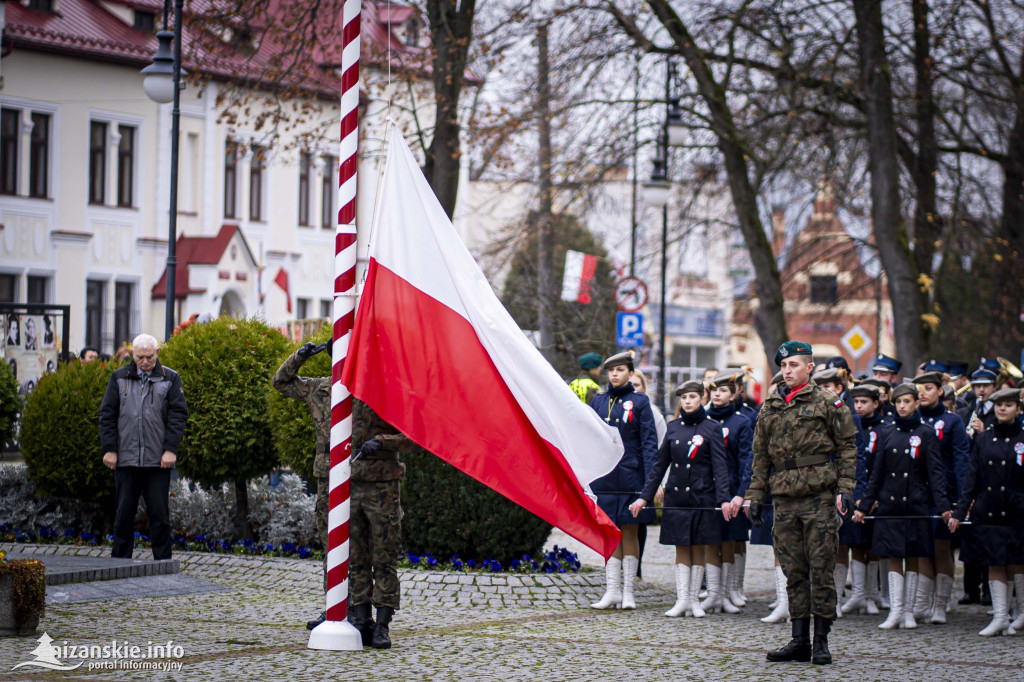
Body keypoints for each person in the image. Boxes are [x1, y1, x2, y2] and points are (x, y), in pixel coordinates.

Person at [745, 341, 858, 666]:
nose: (787, 370)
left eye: (794, 365)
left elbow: (848, 445)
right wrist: (756, 494)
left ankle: (821, 641)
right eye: (784, 365)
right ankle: (798, 640)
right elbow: (761, 455)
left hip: (818, 497)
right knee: (794, 571)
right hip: (784, 498)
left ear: (809, 368)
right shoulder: (771, 406)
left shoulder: (828, 402)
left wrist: (846, 488)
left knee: (821, 569)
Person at [628, 380, 733, 618]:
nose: (687, 402)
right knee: (681, 545)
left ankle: (694, 601)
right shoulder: (673, 427)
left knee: (698, 545)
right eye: (684, 398)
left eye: (692, 397)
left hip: (702, 495)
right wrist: (645, 497)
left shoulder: (712, 428)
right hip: (677, 496)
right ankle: (682, 599)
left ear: (702, 399)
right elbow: (659, 465)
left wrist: (724, 498)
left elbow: (720, 466)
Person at [853, 383, 952, 630]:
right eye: (898, 402)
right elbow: (876, 474)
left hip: (916, 504)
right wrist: (864, 506)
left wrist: (943, 506)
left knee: (914, 556)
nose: (903, 406)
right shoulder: (887, 432)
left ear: (917, 403)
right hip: (890, 504)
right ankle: (896, 611)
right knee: (894, 555)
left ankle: (908, 611)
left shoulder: (926, 432)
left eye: (908, 402)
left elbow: (935, 472)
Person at [98, 333, 188, 561]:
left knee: (159, 514)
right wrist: (109, 449)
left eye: (149, 356)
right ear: (133, 355)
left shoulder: (170, 378)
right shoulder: (119, 377)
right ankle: (119, 561)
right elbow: (107, 414)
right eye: (140, 357)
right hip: (126, 458)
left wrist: (170, 449)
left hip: (157, 459)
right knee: (123, 513)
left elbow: (178, 416)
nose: (145, 361)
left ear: (157, 353)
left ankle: (163, 561)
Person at [949, 387, 1024, 636]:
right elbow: (972, 479)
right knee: (994, 561)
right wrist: (959, 512)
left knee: (1017, 562)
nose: (1002, 409)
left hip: (1017, 510)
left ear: (1018, 409)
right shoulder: (983, 439)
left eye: (1008, 405)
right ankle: (1001, 616)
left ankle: (1021, 612)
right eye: (999, 405)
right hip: (988, 510)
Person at [589, 351, 658, 611]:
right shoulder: (598, 401)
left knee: (629, 531)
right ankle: (612, 590)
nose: (614, 375)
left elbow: (649, 444)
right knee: (610, 532)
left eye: (620, 370)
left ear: (630, 374)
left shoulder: (640, 402)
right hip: (605, 477)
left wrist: (649, 483)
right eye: (611, 370)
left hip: (631, 476)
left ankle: (629, 591)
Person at [911, 370, 970, 623]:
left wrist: (963, 497)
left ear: (940, 391)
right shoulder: (912, 421)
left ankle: (940, 606)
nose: (923, 393)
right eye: (919, 389)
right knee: (922, 547)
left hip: (945, 492)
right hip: (917, 492)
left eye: (929, 388)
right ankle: (922, 603)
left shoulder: (953, 421)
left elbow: (961, 460)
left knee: (942, 546)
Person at [815, 365, 869, 618]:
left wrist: (853, 490)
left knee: (839, 545)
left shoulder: (848, 415)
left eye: (827, 387)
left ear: (839, 388)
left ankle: (834, 599)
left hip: (838, 488)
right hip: (813, 486)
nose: (822, 391)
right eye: (819, 387)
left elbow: (857, 455)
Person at [704, 370, 754, 611]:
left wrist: (743, 492)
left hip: (732, 489)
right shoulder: (703, 420)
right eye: (714, 390)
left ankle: (728, 590)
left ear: (734, 395)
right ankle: (713, 593)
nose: (717, 394)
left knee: (730, 541)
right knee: (711, 540)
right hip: (707, 490)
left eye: (723, 390)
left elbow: (747, 461)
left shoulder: (741, 422)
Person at [744, 370, 790, 624]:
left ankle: (803, 601)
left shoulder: (816, 407)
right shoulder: (766, 413)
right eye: (777, 386)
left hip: (808, 488)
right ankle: (783, 601)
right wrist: (754, 493)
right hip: (775, 488)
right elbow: (757, 456)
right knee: (778, 543)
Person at [847, 382, 890, 614]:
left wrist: (874, 495)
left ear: (876, 403)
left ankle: (872, 593)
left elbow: (883, 466)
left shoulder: (884, 429)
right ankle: (858, 594)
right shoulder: (851, 426)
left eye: (865, 402)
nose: (860, 406)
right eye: (857, 402)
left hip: (876, 495)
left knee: (873, 545)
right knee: (856, 543)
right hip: (855, 492)